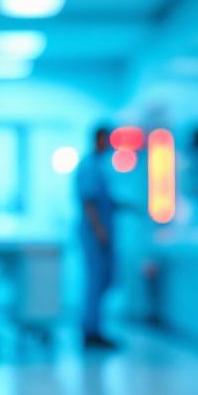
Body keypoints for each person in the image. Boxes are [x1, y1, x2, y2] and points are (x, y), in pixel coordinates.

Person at [78, 126, 119, 349]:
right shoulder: (89, 167)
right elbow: (89, 203)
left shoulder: (99, 166)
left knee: (102, 281)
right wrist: (101, 232)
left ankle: (94, 328)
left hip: (98, 233)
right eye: (108, 140)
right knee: (95, 282)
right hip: (95, 235)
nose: (111, 145)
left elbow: (103, 200)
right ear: (98, 139)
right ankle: (91, 331)